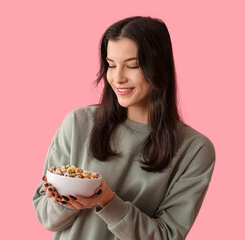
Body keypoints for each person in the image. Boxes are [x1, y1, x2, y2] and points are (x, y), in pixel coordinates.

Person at [32, 16, 215, 240]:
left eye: (132, 66)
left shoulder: (194, 149)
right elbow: (45, 216)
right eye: (111, 65)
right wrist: (68, 201)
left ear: (159, 68)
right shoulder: (78, 123)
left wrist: (107, 201)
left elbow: (167, 236)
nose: (117, 78)